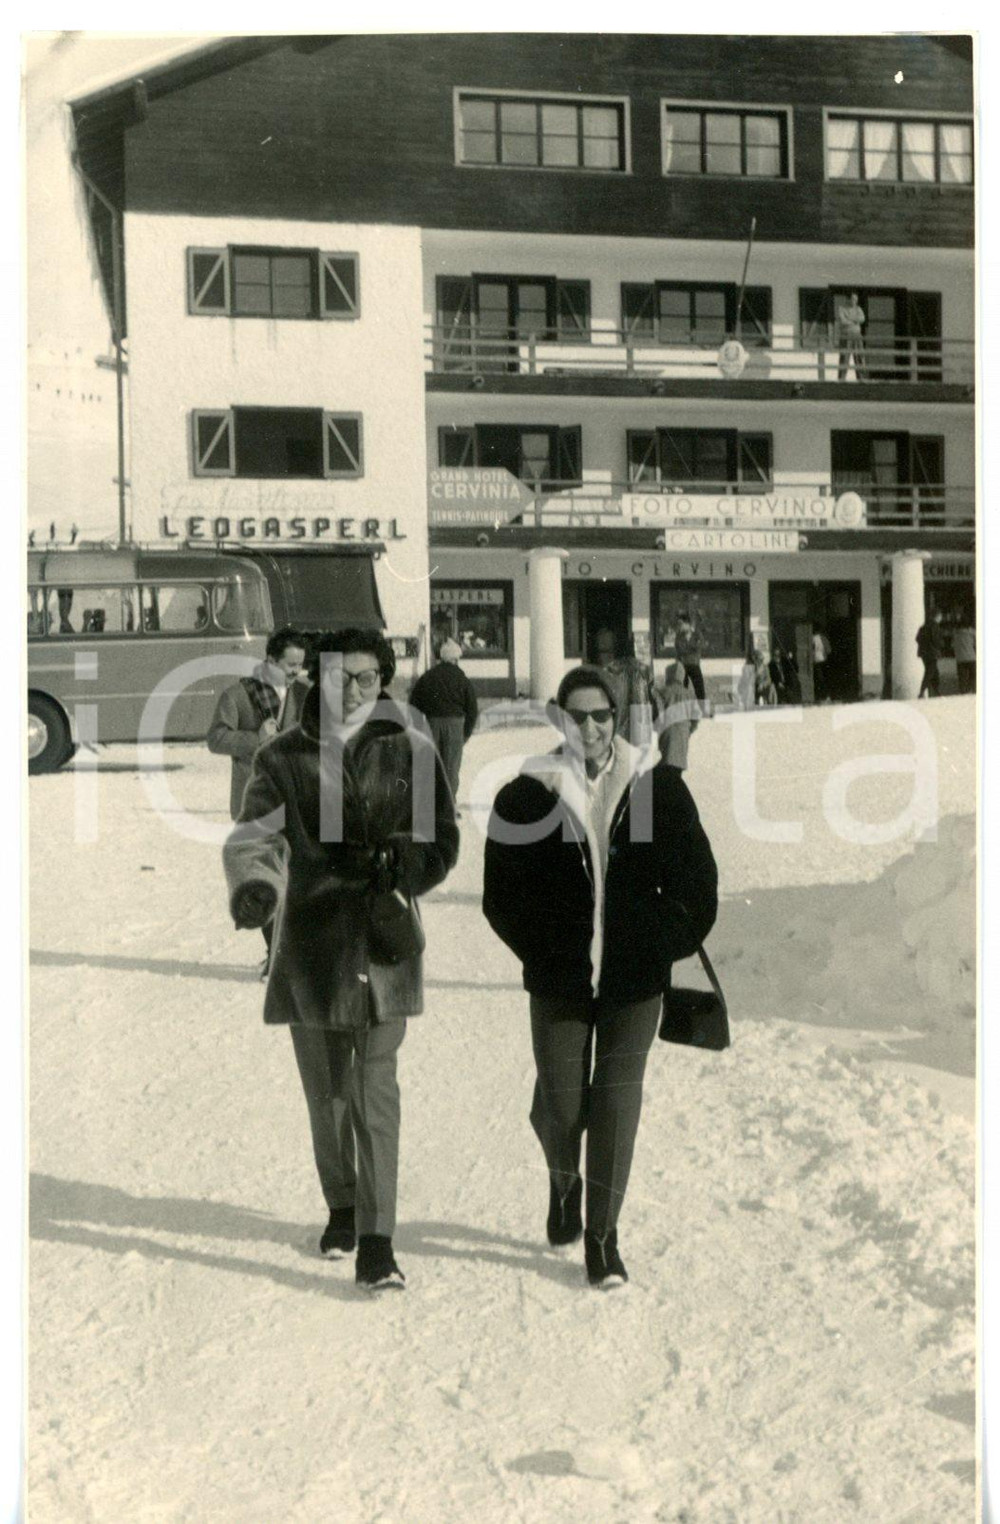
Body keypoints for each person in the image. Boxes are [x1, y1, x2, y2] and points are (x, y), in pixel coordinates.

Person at [223, 629, 459, 1292]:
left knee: (374, 1087)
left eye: (366, 677)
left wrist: (408, 867)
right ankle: (343, 1205)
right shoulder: (283, 757)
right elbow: (252, 837)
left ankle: (378, 1241)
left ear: (384, 680)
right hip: (312, 942)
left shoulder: (411, 750)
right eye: (339, 676)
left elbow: (442, 838)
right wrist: (256, 888)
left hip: (385, 938)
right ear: (315, 681)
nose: (353, 689)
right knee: (327, 1094)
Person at [483, 666, 718, 1289]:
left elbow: (699, 885)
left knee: (615, 1101)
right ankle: (564, 1183)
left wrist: (657, 945)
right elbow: (500, 896)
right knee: (562, 1107)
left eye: (602, 716)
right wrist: (544, 949)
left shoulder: (655, 787)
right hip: (560, 980)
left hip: (633, 981)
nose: (590, 727)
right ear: (559, 718)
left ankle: (602, 1236)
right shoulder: (525, 794)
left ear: (618, 719)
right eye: (577, 715)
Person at [208, 627, 308, 974]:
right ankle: (276, 952)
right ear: (270, 661)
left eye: (300, 664)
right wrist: (256, 739)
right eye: (290, 664)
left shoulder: (306, 694)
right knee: (262, 878)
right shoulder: (238, 695)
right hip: (254, 800)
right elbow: (216, 738)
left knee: (296, 878)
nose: (295, 671)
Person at [409, 636, 479, 812]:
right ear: (455, 659)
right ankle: (448, 807)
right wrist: (466, 732)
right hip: (455, 725)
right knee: (451, 768)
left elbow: (413, 704)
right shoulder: (462, 678)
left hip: (432, 724)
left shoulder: (428, 676)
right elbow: (472, 707)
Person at [598, 633, 660, 748]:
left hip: (619, 717)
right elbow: (653, 696)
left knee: (621, 756)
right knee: (640, 758)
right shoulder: (645, 669)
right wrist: (656, 717)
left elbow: (604, 697)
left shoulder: (610, 670)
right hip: (641, 718)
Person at [657, 660, 700, 771]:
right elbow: (696, 717)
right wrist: (689, 730)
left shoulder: (662, 692)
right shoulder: (689, 694)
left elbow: (657, 712)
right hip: (683, 731)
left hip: (667, 731)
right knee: (679, 762)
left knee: (667, 761)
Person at [673, 613, 706, 706]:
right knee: (682, 689)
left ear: (687, 624)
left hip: (694, 664)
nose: (679, 626)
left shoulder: (697, 634)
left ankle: (703, 710)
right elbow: (679, 649)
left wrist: (689, 648)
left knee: (699, 688)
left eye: (681, 624)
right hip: (682, 665)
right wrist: (692, 648)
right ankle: (683, 710)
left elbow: (700, 646)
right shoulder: (679, 636)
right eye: (678, 624)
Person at [837, 291, 866, 380]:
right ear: (848, 299)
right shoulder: (841, 309)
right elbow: (842, 321)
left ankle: (861, 379)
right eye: (853, 299)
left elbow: (862, 319)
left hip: (857, 335)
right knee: (844, 357)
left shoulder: (858, 309)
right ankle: (841, 379)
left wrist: (849, 319)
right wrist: (854, 321)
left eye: (856, 299)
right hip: (846, 336)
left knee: (859, 356)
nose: (855, 301)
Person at [916, 610, 944, 698]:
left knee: (934, 672)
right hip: (932, 652)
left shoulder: (923, 626)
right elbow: (936, 640)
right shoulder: (935, 626)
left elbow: (917, 638)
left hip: (923, 653)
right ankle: (922, 691)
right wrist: (941, 645)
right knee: (930, 672)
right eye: (940, 617)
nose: (941, 619)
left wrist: (924, 645)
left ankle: (936, 691)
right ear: (937, 617)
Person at [953, 620, 976, 694]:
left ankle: (963, 691)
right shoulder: (972, 633)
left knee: (962, 676)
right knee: (974, 674)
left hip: (960, 658)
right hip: (971, 657)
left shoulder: (955, 634)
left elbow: (953, 644)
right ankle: (971, 689)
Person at [811, 627, 832, 703]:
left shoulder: (811, 638)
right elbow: (829, 650)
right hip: (824, 660)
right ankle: (826, 696)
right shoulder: (824, 638)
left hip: (815, 661)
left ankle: (819, 696)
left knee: (818, 679)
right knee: (824, 679)